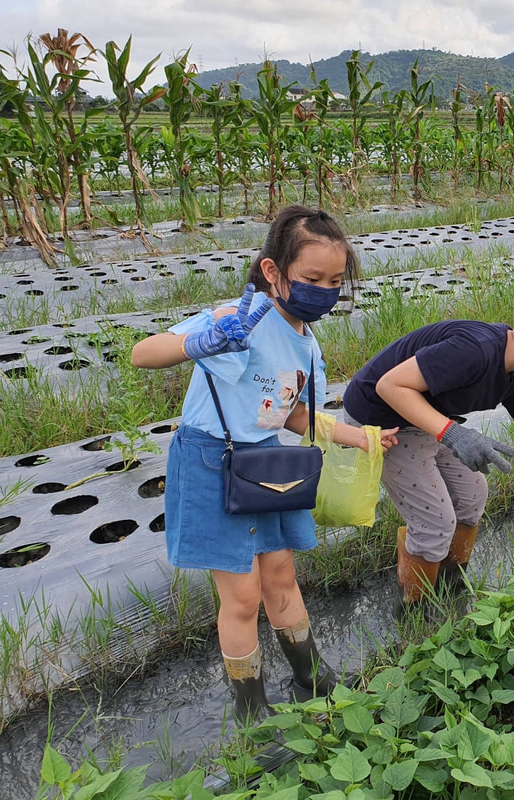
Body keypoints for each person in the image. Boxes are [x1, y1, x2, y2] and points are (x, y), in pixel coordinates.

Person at [131, 205, 397, 720]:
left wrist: (358, 438)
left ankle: (311, 679)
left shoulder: (306, 339)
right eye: (312, 278)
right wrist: (197, 342)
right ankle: (251, 711)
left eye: (336, 280)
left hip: (268, 464)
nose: (325, 289)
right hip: (213, 460)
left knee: (281, 577)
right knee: (243, 595)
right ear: (273, 272)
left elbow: (291, 415)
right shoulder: (240, 319)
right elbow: (144, 353)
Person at [342, 285, 514, 605]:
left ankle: (450, 579)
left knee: (473, 492)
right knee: (436, 521)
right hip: (380, 420)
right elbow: (389, 385)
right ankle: (417, 609)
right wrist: (454, 434)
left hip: (422, 419)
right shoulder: (474, 351)